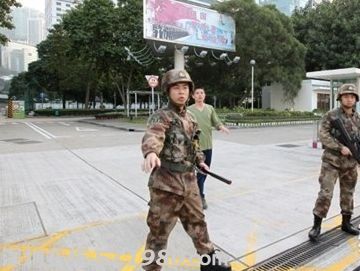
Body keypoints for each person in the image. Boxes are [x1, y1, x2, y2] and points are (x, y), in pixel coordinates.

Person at [141, 69, 232, 271]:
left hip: (189, 181)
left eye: (185, 88)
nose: (181, 92)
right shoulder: (161, 116)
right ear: (168, 91)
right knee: (158, 232)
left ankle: (208, 262)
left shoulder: (191, 117)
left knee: (198, 222)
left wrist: (200, 161)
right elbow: (153, 135)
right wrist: (150, 153)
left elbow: (194, 144)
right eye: (176, 88)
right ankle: (151, 268)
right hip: (166, 185)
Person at [308, 83, 360, 242]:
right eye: (346, 96)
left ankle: (346, 223)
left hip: (350, 164)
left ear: (355, 99)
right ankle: (316, 226)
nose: (349, 99)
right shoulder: (332, 115)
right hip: (331, 162)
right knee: (326, 194)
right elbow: (323, 134)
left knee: (348, 194)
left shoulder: (357, 118)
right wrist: (339, 147)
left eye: (352, 97)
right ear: (340, 98)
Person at [188, 88, 230, 209]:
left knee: (205, 172)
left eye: (202, 93)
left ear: (205, 95)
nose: (200, 95)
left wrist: (221, 127)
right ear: (193, 96)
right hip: (195, 147)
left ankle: (195, 193)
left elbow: (216, 122)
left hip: (208, 145)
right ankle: (200, 196)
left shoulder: (210, 108)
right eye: (197, 93)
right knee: (201, 173)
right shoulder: (189, 110)